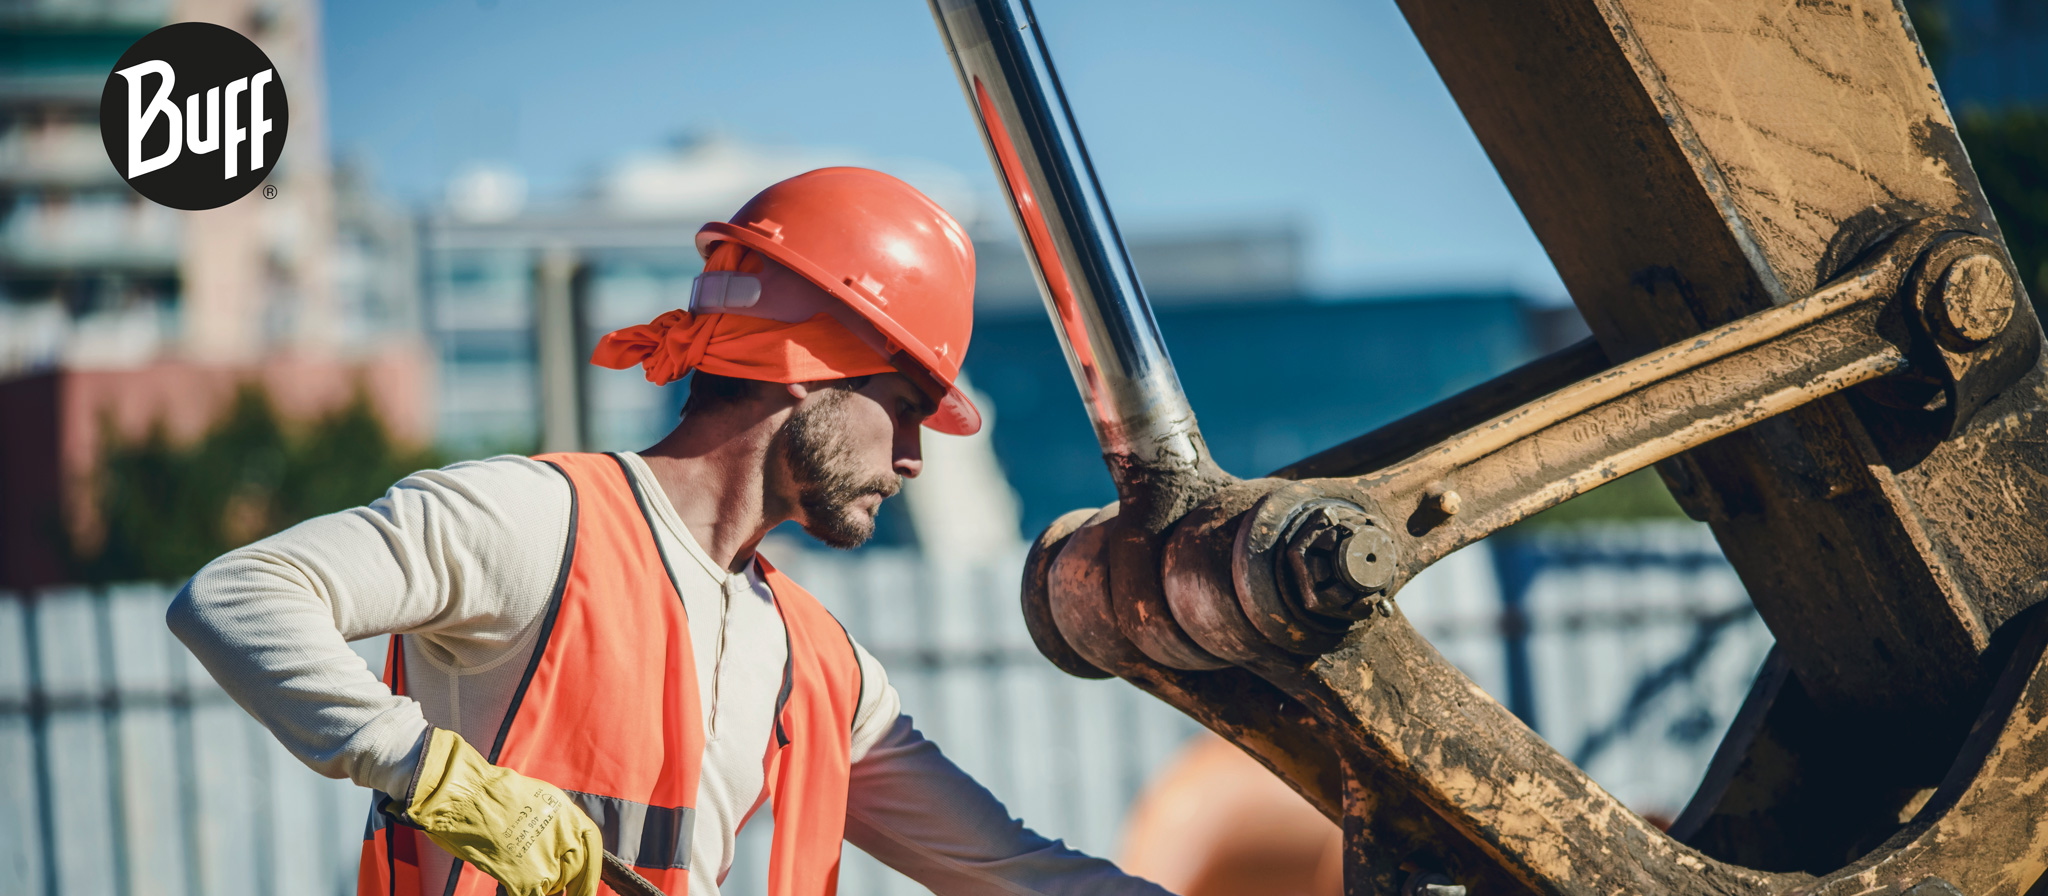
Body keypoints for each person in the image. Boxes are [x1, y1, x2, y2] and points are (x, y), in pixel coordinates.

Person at [169, 168, 1175, 896]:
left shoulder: (818, 670)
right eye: (903, 405)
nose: (912, 456)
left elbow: (1019, 874)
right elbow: (234, 596)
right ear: (807, 364)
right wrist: (436, 774)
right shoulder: (536, 522)